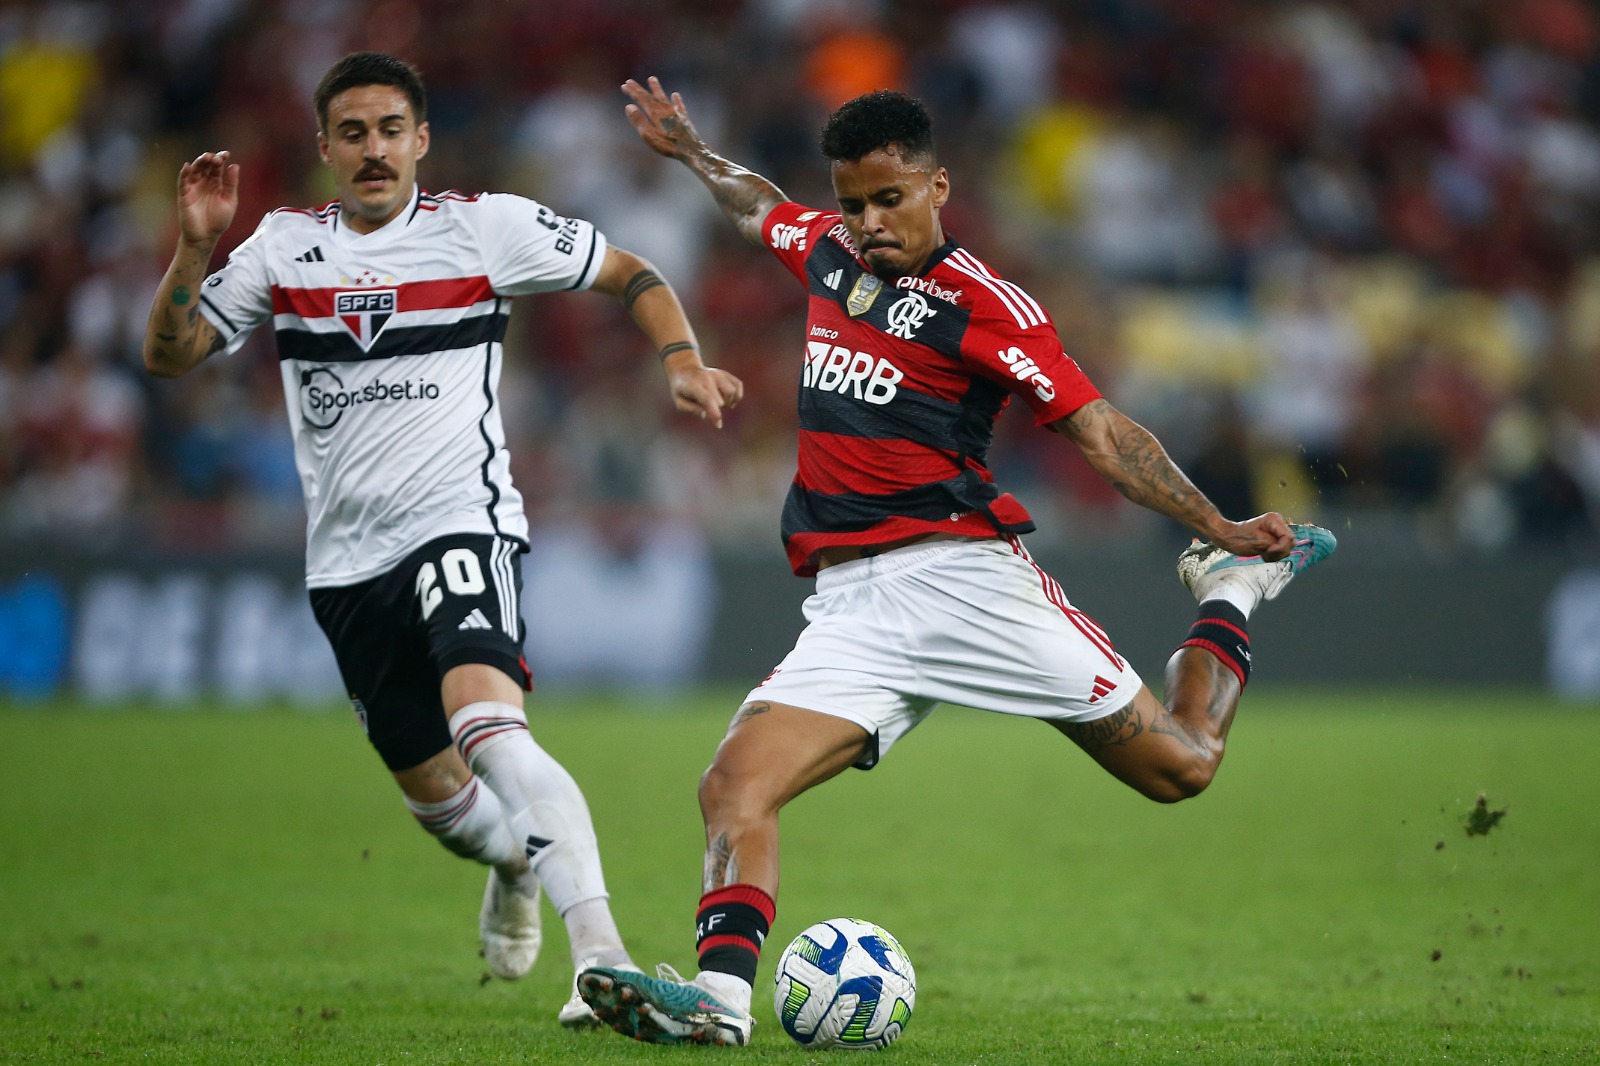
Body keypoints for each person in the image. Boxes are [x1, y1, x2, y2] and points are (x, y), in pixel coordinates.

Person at [575, 79, 1336, 1047]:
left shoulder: (989, 306)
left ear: (939, 185)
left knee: (1180, 767)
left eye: (889, 198)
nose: (868, 221)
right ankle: (722, 1000)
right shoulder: (827, 252)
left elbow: (1102, 434)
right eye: (852, 201)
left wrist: (1221, 528)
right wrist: (691, 151)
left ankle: (1230, 593)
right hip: (851, 607)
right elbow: (760, 204)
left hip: (965, 582)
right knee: (731, 788)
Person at [141, 53, 743, 1026]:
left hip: (461, 521)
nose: (373, 149)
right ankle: (510, 861)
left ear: (421, 138)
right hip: (344, 568)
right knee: (445, 807)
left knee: (487, 724)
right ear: (325, 148)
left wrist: (681, 360)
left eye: (390, 129)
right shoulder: (280, 249)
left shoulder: (482, 227)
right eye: (353, 132)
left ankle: (604, 956)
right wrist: (193, 249)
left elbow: (632, 272)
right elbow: (169, 357)